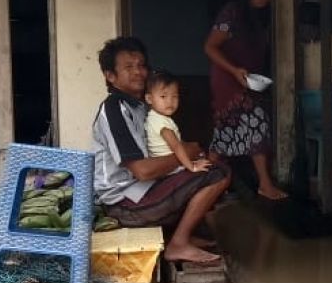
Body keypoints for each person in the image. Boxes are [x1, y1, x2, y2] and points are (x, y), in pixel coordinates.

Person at [91, 37, 230, 264]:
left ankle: (183, 235)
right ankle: (178, 243)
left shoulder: (142, 107)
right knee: (217, 174)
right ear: (110, 76)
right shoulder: (114, 110)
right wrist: (185, 154)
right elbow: (143, 171)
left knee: (204, 168)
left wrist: (188, 155)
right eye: (129, 67)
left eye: (142, 65)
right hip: (124, 205)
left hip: (142, 192)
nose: (138, 72)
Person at [204, 0, 287, 200]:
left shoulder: (262, 18)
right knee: (257, 120)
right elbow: (210, 47)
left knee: (226, 133)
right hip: (227, 80)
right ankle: (265, 184)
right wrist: (234, 70)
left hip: (249, 80)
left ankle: (204, 183)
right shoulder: (232, 12)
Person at [144, 70, 213, 174]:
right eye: (163, 96)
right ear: (149, 99)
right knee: (210, 168)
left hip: (170, 163)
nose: (170, 101)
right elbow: (176, 146)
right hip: (171, 168)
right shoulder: (161, 123)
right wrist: (192, 167)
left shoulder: (154, 117)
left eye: (175, 96)